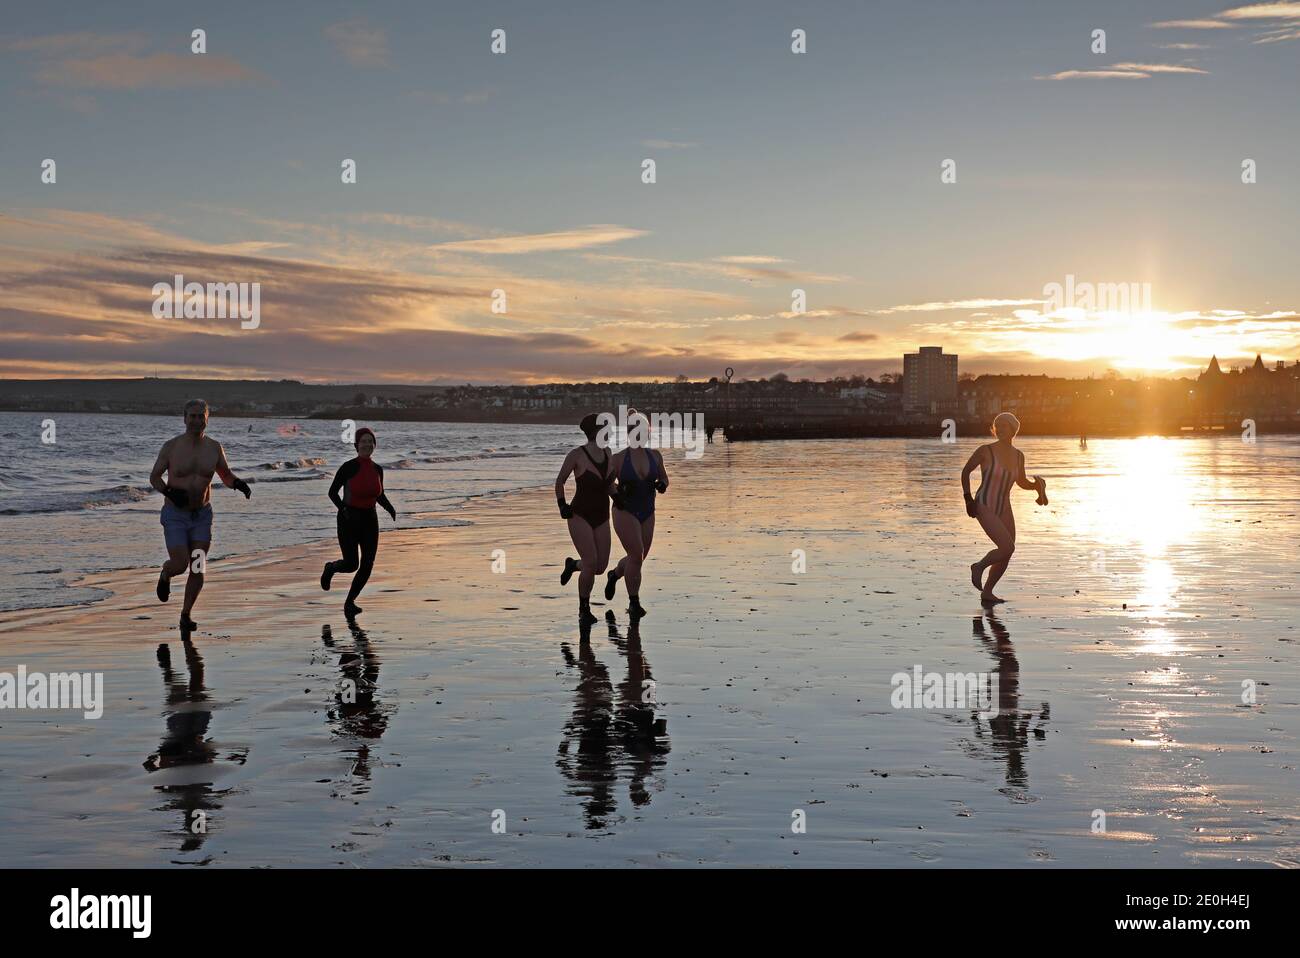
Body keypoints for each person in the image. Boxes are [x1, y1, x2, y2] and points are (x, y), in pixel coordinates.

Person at [149, 399, 251, 632]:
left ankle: (186, 614)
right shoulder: (171, 447)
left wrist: (238, 484)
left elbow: (224, 474)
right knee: (180, 563)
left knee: (197, 565)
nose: (196, 421)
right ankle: (166, 574)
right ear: (184, 418)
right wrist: (169, 493)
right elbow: (154, 477)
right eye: (192, 416)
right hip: (175, 514)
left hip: (202, 515)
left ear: (207, 418)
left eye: (200, 416)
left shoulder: (214, 448)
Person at [961, 412, 1047, 605]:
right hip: (984, 503)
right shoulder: (985, 450)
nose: (999, 429)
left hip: (1005, 507)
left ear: (1013, 429)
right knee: (1007, 546)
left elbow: (1022, 482)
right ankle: (978, 566)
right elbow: (966, 471)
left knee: (1007, 552)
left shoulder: (1018, 456)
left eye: (1004, 426)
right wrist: (967, 498)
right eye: (997, 425)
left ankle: (988, 592)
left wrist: (1036, 486)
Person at [321, 427, 396, 618]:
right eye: (363, 441)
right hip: (348, 519)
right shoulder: (348, 467)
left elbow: (379, 494)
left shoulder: (377, 469)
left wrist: (389, 508)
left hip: (370, 519)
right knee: (351, 563)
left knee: (368, 563)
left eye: (370, 441)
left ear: (374, 445)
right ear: (356, 445)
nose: (367, 444)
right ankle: (331, 568)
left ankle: (350, 602)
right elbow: (332, 492)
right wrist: (344, 510)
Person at [604, 411, 668, 617]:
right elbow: (606, 483)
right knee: (636, 555)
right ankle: (634, 603)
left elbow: (665, 478)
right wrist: (618, 494)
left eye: (645, 431)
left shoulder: (655, 455)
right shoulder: (619, 458)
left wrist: (662, 485)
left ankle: (614, 575)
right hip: (625, 511)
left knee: (638, 557)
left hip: (648, 510)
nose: (641, 435)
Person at [555, 414, 613, 623]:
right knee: (590, 562)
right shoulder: (576, 455)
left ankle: (572, 565)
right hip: (579, 514)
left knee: (600, 567)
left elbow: (608, 485)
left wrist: (621, 496)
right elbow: (560, 481)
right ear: (596, 431)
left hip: (602, 514)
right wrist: (562, 505)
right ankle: (584, 610)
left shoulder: (608, 452)